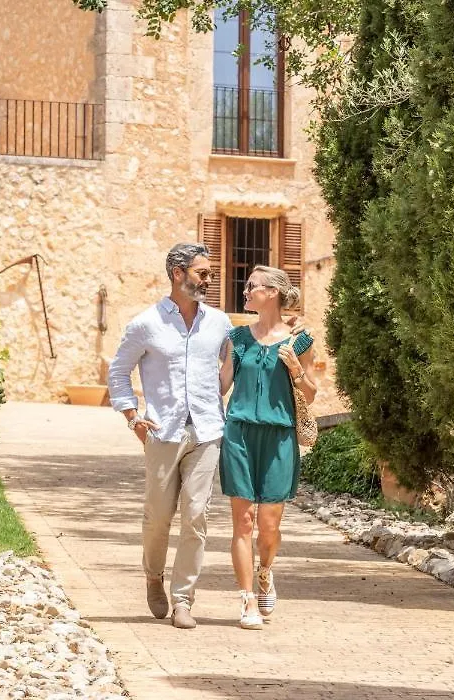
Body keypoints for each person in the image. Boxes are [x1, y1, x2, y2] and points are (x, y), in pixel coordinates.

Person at [107, 242, 233, 629]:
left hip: (207, 430)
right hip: (163, 432)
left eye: (209, 273)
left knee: (196, 516)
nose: (209, 279)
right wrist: (132, 416)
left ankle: (183, 600)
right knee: (158, 517)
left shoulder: (220, 323)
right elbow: (118, 371)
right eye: (202, 273)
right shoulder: (146, 323)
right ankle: (153, 575)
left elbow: (230, 369)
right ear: (178, 274)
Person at [219, 265, 317, 630]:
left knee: (269, 526)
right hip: (239, 434)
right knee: (243, 522)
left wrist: (296, 371)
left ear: (272, 292)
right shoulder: (237, 338)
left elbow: (311, 394)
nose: (245, 291)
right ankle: (247, 600)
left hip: (279, 438)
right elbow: (221, 384)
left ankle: (265, 571)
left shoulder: (300, 341)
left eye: (252, 286)